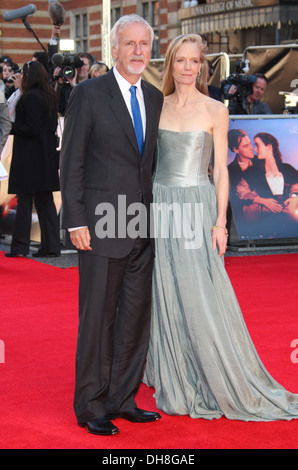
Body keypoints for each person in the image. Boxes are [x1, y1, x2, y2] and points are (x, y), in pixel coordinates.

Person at [143, 33, 298, 421]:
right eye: (181, 60)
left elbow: (221, 174)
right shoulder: (154, 106)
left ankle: (217, 373)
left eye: (195, 61)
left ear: (202, 67)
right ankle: (175, 370)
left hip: (196, 204)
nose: (188, 68)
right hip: (161, 205)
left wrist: (219, 222)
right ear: (170, 63)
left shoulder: (215, 109)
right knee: (164, 288)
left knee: (199, 291)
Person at [59, 14, 163, 436]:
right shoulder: (89, 94)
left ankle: (122, 397)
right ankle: (90, 404)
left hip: (142, 226)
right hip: (100, 226)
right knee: (98, 317)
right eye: (130, 44)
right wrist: (76, 220)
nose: (138, 51)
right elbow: (72, 161)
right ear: (114, 48)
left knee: (134, 317)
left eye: (144, 44)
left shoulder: (154, 98)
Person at [5, 61, 61, 258]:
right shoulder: (49, 96)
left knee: (25, 201)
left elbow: (30, 128)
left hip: (29, 157)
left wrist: (10, 128)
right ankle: (52, 245)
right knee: (44, 201)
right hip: (45, 156)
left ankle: (20, 246)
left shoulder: (30, 97)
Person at [235, 132, 298, 238]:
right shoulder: (253, 171)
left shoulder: (287, 168)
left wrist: (294, 197)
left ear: (268, 147)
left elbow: (296, 186)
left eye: (257, 145)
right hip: (264, 227)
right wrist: (263, 201)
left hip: (289, 225)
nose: (255, 149)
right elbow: (240, 191)